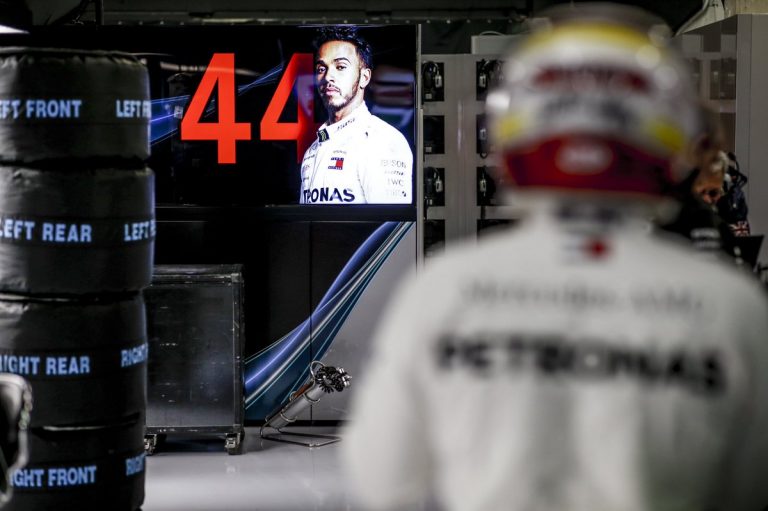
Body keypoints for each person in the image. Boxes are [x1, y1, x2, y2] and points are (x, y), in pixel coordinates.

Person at [342, 5, 768, 511]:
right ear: (671, 135)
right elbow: (747, 489)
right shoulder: (730, 306)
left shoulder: (443, 289)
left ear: (509, 135)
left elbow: (382, 479)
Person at [299, 26, 412, 204]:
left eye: (340, 67)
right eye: (321, 69)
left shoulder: (383, 141)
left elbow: (391, 221)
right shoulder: (312, 151)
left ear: (364, 77)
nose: (328, 77)